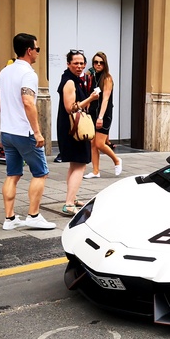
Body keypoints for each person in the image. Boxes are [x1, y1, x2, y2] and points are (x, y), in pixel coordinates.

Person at [0, 33, 56, 230]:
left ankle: (10, 219)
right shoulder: (28, 74)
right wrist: (37, 132)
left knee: (12, 174)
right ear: (29, 51)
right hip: (24, 132)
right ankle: (33, 215)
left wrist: (9, 116)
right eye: (37, 49)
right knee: (40, 173)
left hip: (7, 131)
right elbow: (28, 101)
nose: (38, 52)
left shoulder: (5, 71)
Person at [57, 49, 100, 215]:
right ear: (68, 64)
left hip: (72, 127)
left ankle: (72, 198)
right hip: (73, 129)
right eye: (75, 63)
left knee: (75, 164)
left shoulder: (73, 79)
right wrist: (90, 99)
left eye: (82, 63)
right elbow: (70, 108)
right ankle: (68, 204)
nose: (79, 66)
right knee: (80, 164)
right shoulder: (69, 81)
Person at [83, 52, 122, 179]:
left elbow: (105, 99)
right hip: (92, 113)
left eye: (101, 62)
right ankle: (95, 171)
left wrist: (100, 117)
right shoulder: (93, 77)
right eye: (95, 62)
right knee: (93, 143)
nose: (98, 65)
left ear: (105, 64)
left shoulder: (107, 78)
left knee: (100, 144)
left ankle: (117, 160)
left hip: (104, 115)